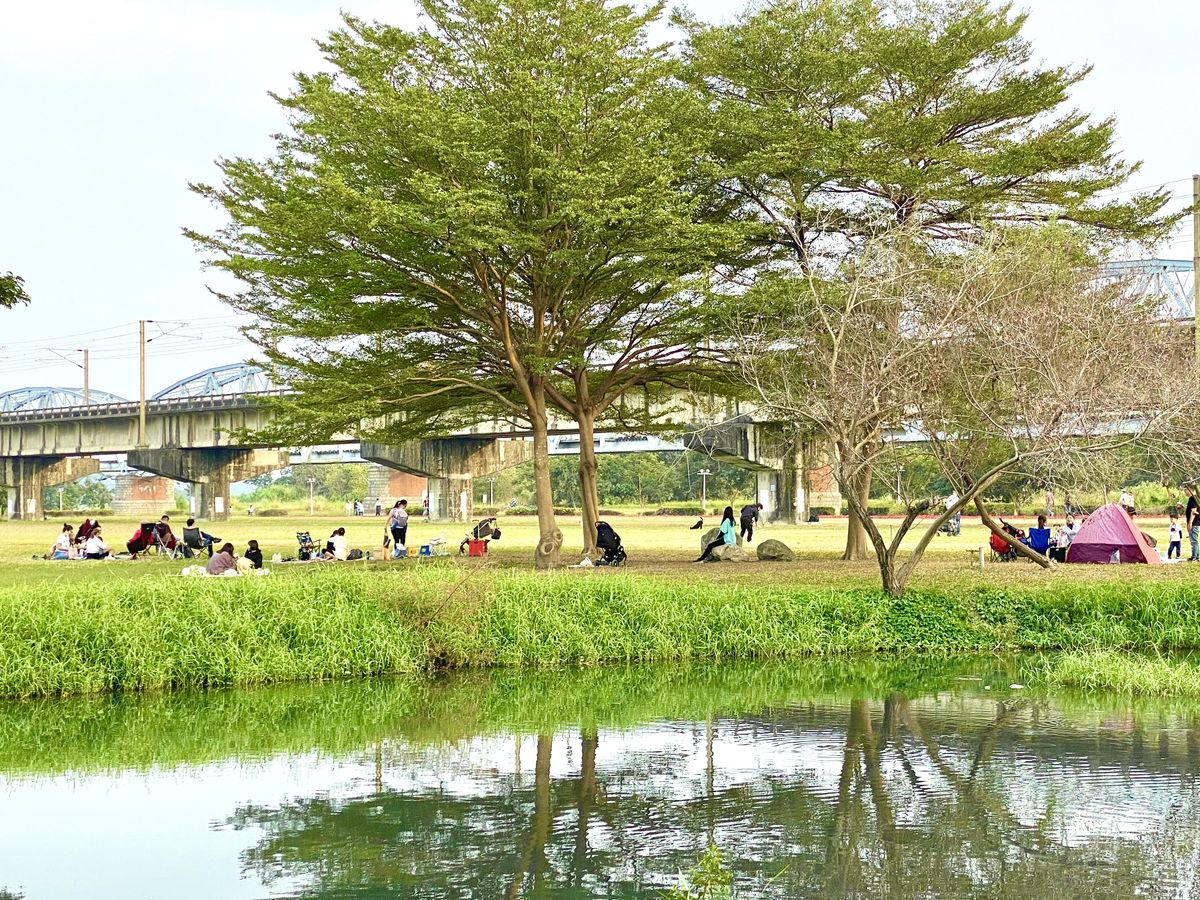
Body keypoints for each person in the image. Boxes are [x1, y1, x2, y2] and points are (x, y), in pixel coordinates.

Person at [1187, 485, 1200, 562]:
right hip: (1193, 522)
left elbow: (1194, 511)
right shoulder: (1192, 498)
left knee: (1194, 540)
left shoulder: (1194, 498)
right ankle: (1195, 556)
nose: (1184, 492)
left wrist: (1190, 522)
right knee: (1193, 540)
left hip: (1194, 523)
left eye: (1185, 490)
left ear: (1190, 490)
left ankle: (1195, 557)